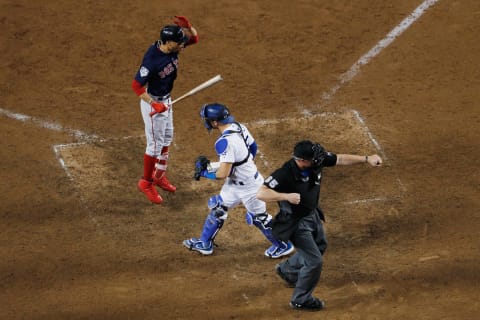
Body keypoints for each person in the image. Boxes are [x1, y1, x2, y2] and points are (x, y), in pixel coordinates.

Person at [256, 140, 383, 311]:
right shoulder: (285, 173)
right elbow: (261, 193)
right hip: (295, 223)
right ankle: (300, 300)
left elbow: (339, 159)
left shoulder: (316, 159)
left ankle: (287, 271)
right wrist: (285, 197)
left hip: (312, 214)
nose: (319, 161)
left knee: (320, 245)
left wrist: (366, 158)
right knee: (314, 261)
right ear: (301, 160)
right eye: (315, 159)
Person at [183, 103, 294, 258]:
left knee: (259, 218)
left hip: (250, 187)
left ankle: (283, 245)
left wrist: (204, 173)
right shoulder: (239, 127)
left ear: (215, 122)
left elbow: (223, 173)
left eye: (207, 120)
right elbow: (253, 148)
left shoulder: (223, 143)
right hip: (235, 184)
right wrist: (244, 165)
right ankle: (205, 244)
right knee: (218, 207)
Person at [132, 16, 199, 204]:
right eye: (179, 43)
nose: (182, 45)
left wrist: (189, 27)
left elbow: (194, 39)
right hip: (153, 105)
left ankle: (159, 176)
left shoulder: (173, 46)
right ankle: (146, 182)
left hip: (167, 102)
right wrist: (154, 104)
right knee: (154, 145)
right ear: (168, 43)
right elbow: (136, 86)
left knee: (167, 138)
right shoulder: (151, 61)